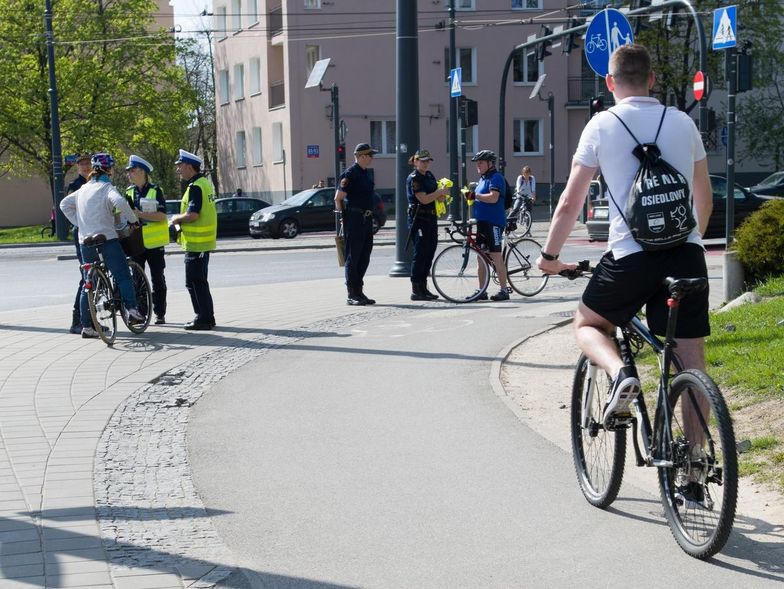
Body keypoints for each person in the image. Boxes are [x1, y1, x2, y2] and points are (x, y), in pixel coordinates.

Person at [536, 44, 712, 487]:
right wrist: (688, 241)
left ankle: (619, 376)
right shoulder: (682, 121)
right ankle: (694, 470)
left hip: (631, 257)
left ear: (610, 82)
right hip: (687, 255)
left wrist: (550, 257)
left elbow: (569, 203)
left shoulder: (601, 126)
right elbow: (703, 198)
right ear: (652, 79)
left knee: (587, 323)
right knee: (690, 363)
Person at [60, 153, 146, 338]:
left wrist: (79, 223)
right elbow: (120, 202)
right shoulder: (106, 187)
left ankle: (87, 327)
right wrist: (133, 221)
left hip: (86, 242)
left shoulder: (82, 190)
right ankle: (132, 309)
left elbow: (63, 204)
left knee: (88, 283)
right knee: (122, 274)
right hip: (107, 239)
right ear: (108, 169)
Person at [170, 149, 217, 330]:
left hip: (197, 244)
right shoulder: (204, 183)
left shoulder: (195, 186)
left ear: (189, 166)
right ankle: (207, 317)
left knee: (194, 283)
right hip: (203, 243)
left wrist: (176, 219)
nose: (178, 170)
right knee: (200, 282)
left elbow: (193, 215)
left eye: (180, 166)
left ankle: (203, 319)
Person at [124, 155, 169, 325]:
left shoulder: (156, 190)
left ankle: (160, 313)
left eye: (132, 170)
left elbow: (162, 216)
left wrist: (140, 214)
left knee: (157, 279)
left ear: (142, 171)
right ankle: (140, 313)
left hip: (154, 243)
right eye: (128, 171)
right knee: (137, 279)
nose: (129, 173)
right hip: (136, 242)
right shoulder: (129, 191)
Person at [334, 143, 378, 306]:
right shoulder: (350, 174)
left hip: (365, 219)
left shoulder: (366, 174)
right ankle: (352, 293)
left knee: (365, 255)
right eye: (370, 155)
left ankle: (359, 291)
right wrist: (342, 219)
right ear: (362, 156)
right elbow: (338, 198)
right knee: (353, 256)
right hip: (353, 219)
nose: (372, 158)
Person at [406, 149, 449, 301]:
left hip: (431, 218)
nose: (425, 163)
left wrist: (442, 194)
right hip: (419, 219)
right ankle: (416, 289)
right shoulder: (414, 178)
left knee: (430, 252)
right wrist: (439, 192)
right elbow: (423, 199)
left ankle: (424, 287)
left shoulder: (429, 176)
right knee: (420, 253)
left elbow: (439, 198)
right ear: (416, 161)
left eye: (427, 161)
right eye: (422, 161)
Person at [468, 149, 510, 301]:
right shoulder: (482, 179)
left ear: (490, 163)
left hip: (494, 223)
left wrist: (475, 195)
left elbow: (493, 198)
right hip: (482, 223)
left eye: (480, 163)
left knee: (496, 256)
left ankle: (504, 290)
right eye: (477, 163)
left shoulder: (496, 178)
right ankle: (482, 290)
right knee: (480, 258)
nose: (477, 166)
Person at [66, 152, 93, 334]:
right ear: (77, 167)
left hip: (95, 232)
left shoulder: (96, 183)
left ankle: (91, 321)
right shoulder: (74, 186)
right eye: (82, 164)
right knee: (86, 276)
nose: (85, 167)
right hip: (81, 234)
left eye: (88, 164)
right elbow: (69, 210)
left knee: (94, 276)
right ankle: (78, 320)